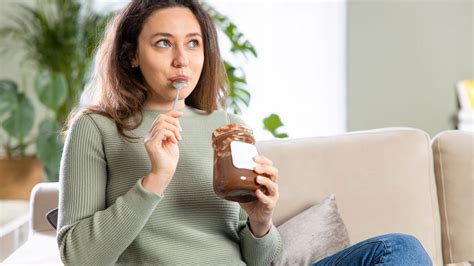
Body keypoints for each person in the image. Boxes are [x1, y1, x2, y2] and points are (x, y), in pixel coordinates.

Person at [57, 0, 432, 265]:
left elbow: (259, 260)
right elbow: (79, 257)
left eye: (193, 43)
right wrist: (154, 179)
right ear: (131, 55)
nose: (181, 60)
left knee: (400, 250)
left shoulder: (228, 127)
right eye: (163, 43)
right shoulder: (97, 129)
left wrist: (260, 219)